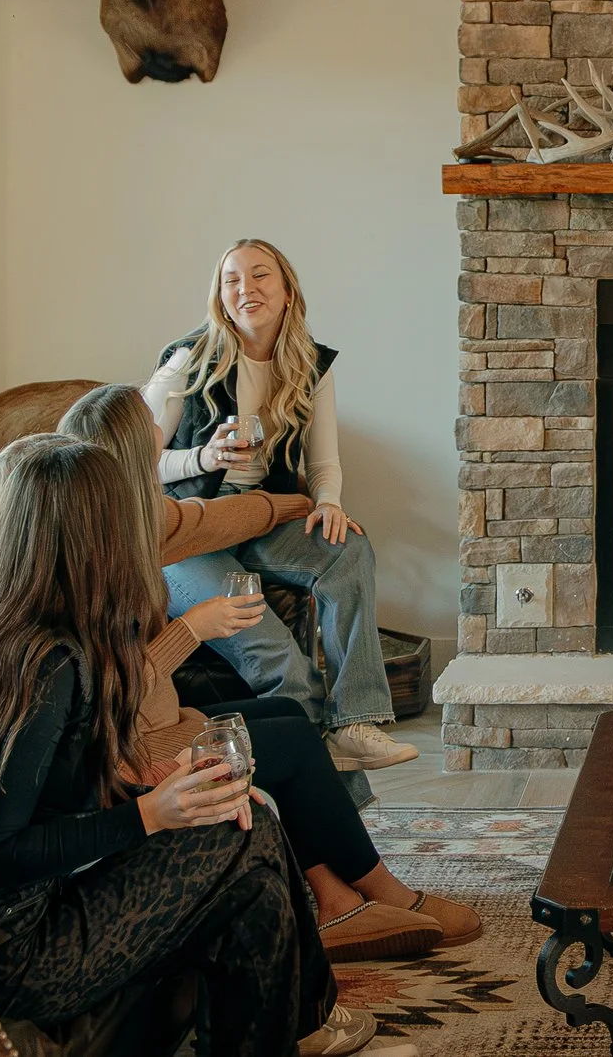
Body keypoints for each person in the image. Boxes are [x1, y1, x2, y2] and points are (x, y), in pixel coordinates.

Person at [0, 435, 375, 1056]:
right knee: (247, 832)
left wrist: (145, 783)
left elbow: (27, 787)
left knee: (241, 829)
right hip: (6, 955)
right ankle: (308, 1023)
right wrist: (151, 813)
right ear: (95, 537)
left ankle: (304, 1025)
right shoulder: (39, 664)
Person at [61, 381, 483, 962]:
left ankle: (336, 897)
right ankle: (380, 890)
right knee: (290, 741)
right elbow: (101, 690)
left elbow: (215, 518)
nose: (163, 430)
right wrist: (192, 629)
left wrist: (300, 504)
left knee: (287, 715)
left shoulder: (143, 517)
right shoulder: (95, 557)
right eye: (151, 426)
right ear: (132, 450)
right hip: (132, 745)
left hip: (160, 720)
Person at [144, 239, 415, 779]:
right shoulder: (189, 359)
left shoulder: (311, 365)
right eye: (232, 280)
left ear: (288, 290)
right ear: (220, 297)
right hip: (187, 534)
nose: (246, 288)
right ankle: (318, 779)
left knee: (348, 546)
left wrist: (330, 503)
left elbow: (324, 462)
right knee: (279, 655)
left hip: (259, 517)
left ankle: (356, 722)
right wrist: (203, 457)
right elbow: (136, 462)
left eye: (260, 275)